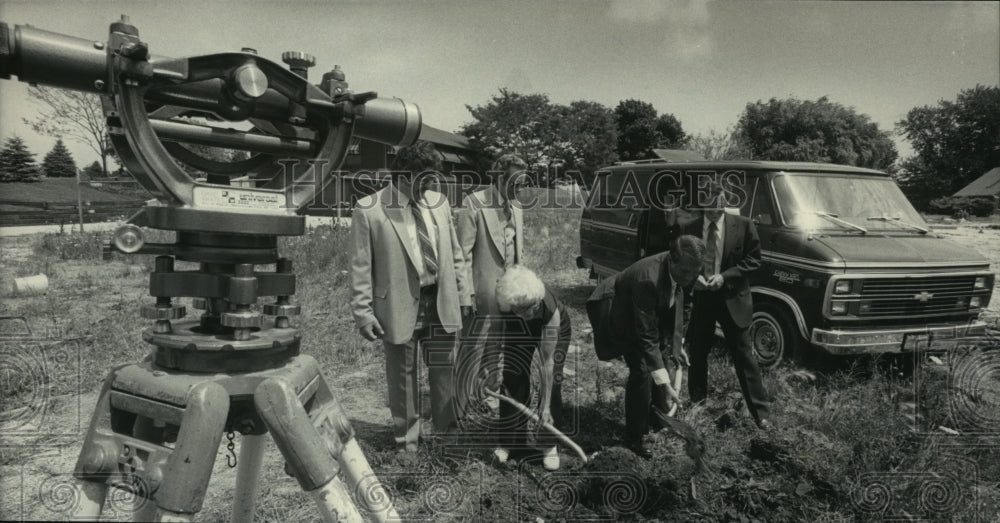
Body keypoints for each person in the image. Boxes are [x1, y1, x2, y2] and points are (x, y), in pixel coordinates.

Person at [350, 141, 472, 452]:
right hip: (398, 304)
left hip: (440, 301)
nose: (431, 186)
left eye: (434, 180)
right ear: (404, 177)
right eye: (426, 180)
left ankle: (447, 434)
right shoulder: (369, 210)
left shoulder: (440, 203)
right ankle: (408, 440)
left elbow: (455, 254)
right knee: (402, 377)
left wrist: (464, 295)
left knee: (445, 370)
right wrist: (363, 312)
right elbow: (361, 267)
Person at [586, 235, 706, 458]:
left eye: (694, 272)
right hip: (619, 310)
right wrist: (666, 382)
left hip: (648, 313)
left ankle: (659, 419)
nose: (690, 278)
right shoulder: (647, 279)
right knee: (641, 370)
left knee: (659, 359)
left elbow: (684, 306)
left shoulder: (687, 272)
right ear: (672, 260)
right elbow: (646, 336)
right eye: (686, 272)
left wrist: (676, 346)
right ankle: (635, 437)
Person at [681, 181, 772, 429]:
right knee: (698, 354)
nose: (716, 212)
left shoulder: (743, 226)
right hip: (702, 300)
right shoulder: (689, 228)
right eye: (710, 208)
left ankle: (761, 415)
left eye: (720, 206)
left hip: (733, 299)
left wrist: (725, 276)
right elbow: (681, 262)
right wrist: (694, 279)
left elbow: (754, 261)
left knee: (744, 357)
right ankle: (699, 405)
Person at [455, 154, 529, 417]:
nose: (519, 189)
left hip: (509, 293)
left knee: (499, 345)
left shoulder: (517, 206)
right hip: (482, 292)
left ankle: (489, 393)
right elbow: (461, 254)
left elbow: (518, 249)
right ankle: (460, 406)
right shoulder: (474, 203)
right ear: (499, 177)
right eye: (514, 183)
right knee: (473, 347)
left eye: (522, 183)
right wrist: (466, 294)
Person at [493, 265, 570, 471]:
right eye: (524, 309)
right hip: (518, 328)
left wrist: (544, 407)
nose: (530, 312)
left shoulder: (548, 309)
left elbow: (547, 364)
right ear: (512, 306)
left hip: (553, 328)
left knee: (554, 381)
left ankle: (548, 443)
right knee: (513, 375)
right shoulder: (506, 304)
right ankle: (510, 442)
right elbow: (492, 336)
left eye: (533, 306)